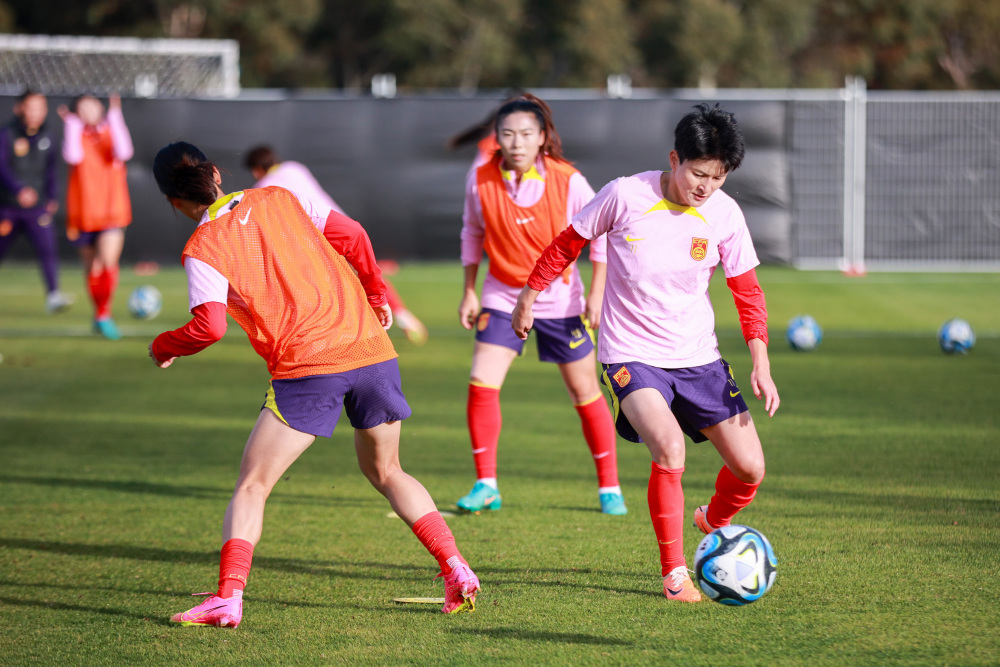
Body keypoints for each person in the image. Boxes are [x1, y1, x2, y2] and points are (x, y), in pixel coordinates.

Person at [149, 141, 480, 627]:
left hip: (309, 368)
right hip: (371, 351)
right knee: (388, 472)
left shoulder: (202, 248)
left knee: (253, 485)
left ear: (173, 202)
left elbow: (209, 327)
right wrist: (374, 292)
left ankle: (227, 598)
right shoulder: (280, 196)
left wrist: (163, 347)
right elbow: (353, 235)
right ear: (216, 172)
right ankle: (456, 568)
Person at [512, 104, 780, 602]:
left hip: (698, 357)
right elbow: (567, 243)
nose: (705, 187)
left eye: (718, 177)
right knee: (669, 449)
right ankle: (674, 573)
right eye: (698, 173)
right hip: (631, 354)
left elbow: (748, 292)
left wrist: (760, 361)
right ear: (675, 158)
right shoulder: (624, 195)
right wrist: (530, 294)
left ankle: (710, 522)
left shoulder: (724, 214)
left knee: (751, 470)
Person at [457, 94, 626, 516]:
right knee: (482, 382)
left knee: (584, 390)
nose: (516, 142)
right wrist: (469, 290)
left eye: (526, 134)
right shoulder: (479, 179)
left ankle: (610, 488)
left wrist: (596, 292)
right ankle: (486, 484)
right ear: (496, 138)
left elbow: (600, 233)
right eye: (508, 134)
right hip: (501, 295)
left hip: (561, 298)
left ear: (543, 138)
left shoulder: (568, 179)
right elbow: (471, 232)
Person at [244, 145, 428, 345]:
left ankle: (345, 332)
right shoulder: (295, 168)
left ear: (256, 169)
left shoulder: (262, 188)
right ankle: (403, 317)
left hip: (316, 239)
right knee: (366, 274)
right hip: (342, 225)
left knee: (331, 288)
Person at [59, 93, 133, 340]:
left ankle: (104, 314)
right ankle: (99, 314)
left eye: (92, 105)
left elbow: (124, 152)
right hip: (83, 213)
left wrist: (116, 117)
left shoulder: (111, 131)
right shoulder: (75, 134)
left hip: (112, 210)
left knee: (106, 261)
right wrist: (71, 126)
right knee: (91, 267)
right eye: (82, 107)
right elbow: (73, 156)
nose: (89, 110)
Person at [0, 91, 73, 313]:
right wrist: (18, 189)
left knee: (48, 249)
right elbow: (2, 168)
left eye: (40, 107)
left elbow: (52, 170)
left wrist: (51, 197)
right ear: (19, 108)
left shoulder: (48, 136)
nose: (36, 113)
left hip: (37, 208)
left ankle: (53, 295)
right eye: (31, 107)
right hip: (8, 208)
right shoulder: (7, 135)